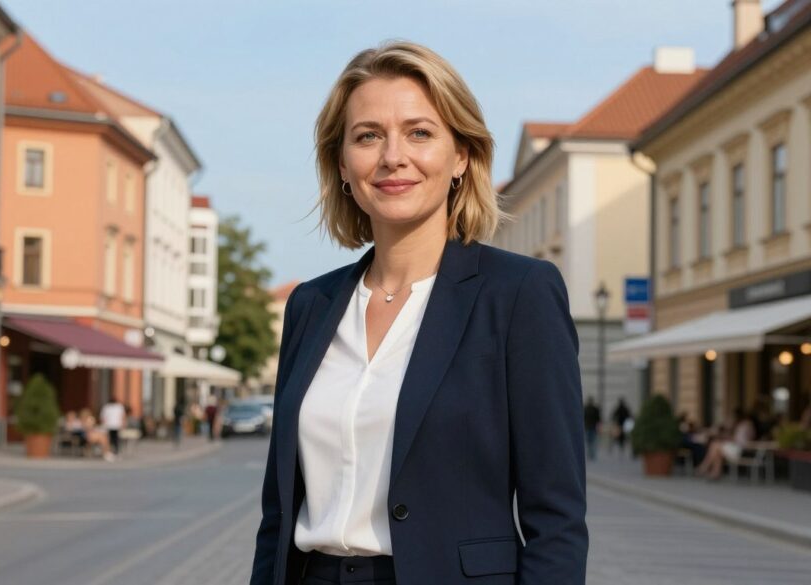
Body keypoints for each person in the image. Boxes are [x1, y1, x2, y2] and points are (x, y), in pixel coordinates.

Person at [250, 42, 587, 585]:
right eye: (368, 136)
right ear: (342, 164)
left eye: (420, 133)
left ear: (462, 156)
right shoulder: (311, 306)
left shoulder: (519, 295)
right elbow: (277, 515)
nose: (392, 156)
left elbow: (558, 521)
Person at [696, 409, 755, 480]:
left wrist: (726, 436)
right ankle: (715, 473)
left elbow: (739, 440)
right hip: (736, 447)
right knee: (716, 449)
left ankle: (705, 467)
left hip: (740, 450)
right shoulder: (742, 424)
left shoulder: (745, 425)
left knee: (715, 445)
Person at [583, 397, 601, 462]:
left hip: (589, 427)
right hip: (591, 427)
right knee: (592, 442)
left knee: (590, 442)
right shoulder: (593, 409)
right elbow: (598, 419)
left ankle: (590, 454)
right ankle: (591, 454)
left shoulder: (586, 409)